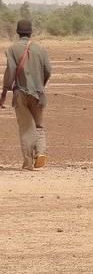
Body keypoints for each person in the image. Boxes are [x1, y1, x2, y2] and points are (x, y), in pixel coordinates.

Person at [1, 20, 52, 170]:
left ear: (18, 32)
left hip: (21, 94)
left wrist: (4, 91)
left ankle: (28, 163)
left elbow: (10, 71)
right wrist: (41, 85)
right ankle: (40, 152)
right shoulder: (41, 49)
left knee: (25, 128)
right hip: (39, 94)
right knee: (38, 126)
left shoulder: (12, 49)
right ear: (31, 33)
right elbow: (48, 70)